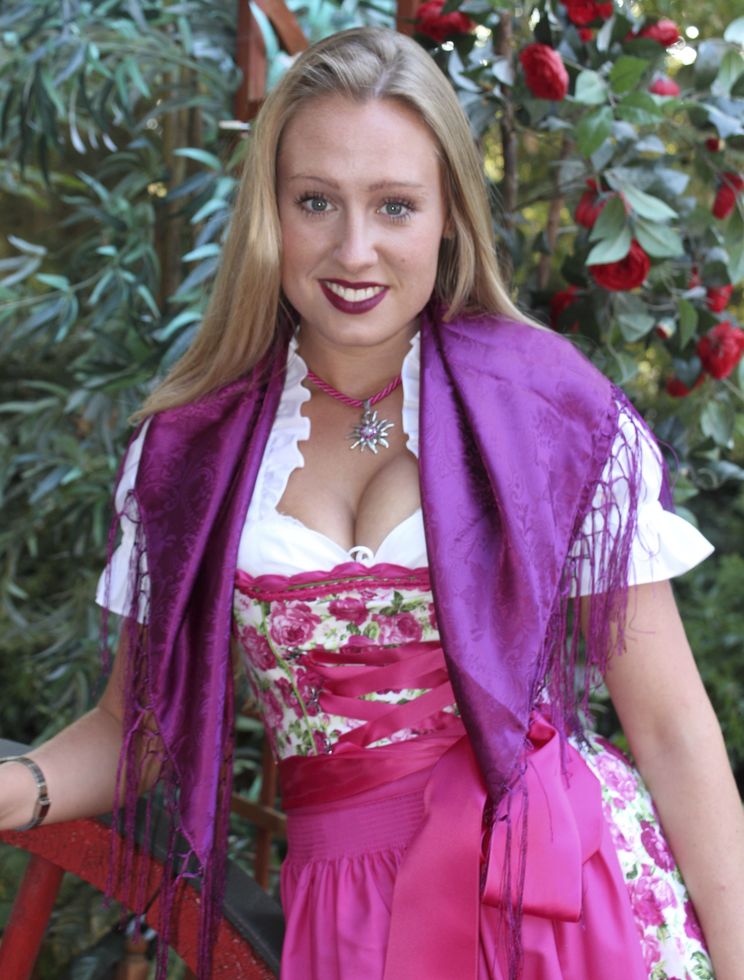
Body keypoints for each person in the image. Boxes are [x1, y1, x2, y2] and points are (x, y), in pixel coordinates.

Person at [1, 25, 743, 980]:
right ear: (271, 210)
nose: (356, 250)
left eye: (395, 205)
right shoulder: (188, 451)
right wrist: (17, 787)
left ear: (449, 214)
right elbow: (134, 728)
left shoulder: (552, 411)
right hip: (350, 920)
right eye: (316, 201)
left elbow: (673, 733)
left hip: (565, 899)